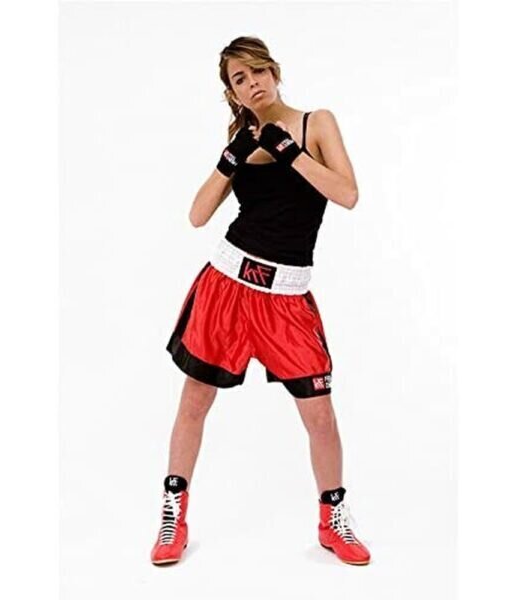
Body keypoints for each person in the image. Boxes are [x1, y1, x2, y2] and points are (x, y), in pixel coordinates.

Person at [150, 36, 370, 566]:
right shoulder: (240, 138)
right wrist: (231, 158)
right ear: (232, 92)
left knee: (320, 416)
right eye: (240, 80)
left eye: (257, 72)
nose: (253, 84)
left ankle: (333, 521)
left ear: (274, 71)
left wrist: (290, 152)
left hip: (287, 297)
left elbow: (347, 194)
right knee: (194, 403)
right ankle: (173, 515)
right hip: (226, 287)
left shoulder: (316, 124)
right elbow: (197, 216)